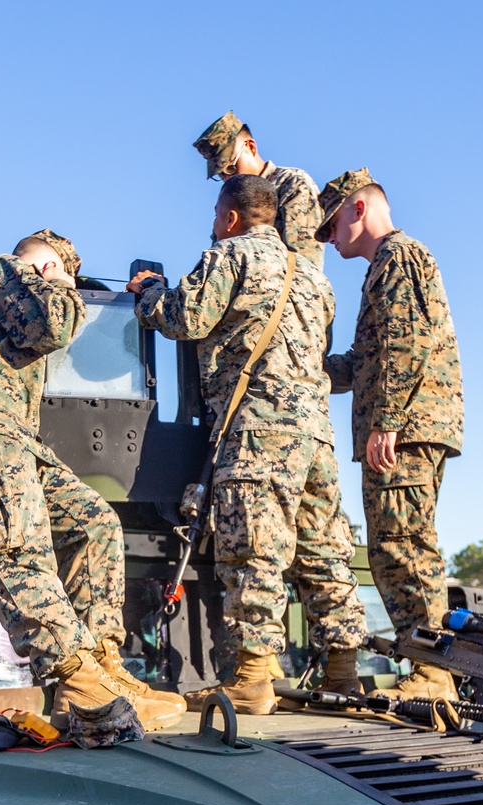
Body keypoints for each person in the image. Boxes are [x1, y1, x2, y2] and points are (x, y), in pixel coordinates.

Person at [0, 230, 187, 730]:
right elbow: (54, 326)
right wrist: (59, 281)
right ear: (51, 263)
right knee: (17, 545)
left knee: (94, 521)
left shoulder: (14, 293)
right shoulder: (3, 269)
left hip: (9, 438)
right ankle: (78, 682)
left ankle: (103, 668)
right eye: (65, 273)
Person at [127, 175, 366, 715]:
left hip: (257, 431)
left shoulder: (228, 256)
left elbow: (184, 318)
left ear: (231, 217)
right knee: (325, 550)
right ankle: (343, 674)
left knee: (253, 549)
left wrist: (148, 293)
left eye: (216, 213)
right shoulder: (312, 277)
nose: (213, 223)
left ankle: (254, 680)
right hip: (315, 435)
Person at [318, 170, 464, 702]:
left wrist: (387, 423)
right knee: (398, 544)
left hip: (407, 428)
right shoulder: (387, 264)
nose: (329, 240)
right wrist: (302, 369)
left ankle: (433, 672)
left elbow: (407, 343)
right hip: (411, 423)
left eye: (331, 224)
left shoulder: (398, 256)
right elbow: (365, 361)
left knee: (401, 545)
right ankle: (431, 666)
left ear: (358, 209)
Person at [193, 111, 324, 267]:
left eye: (231, 168)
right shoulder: (230, 200)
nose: (227, 178)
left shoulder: (292, 184)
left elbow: (304, 262)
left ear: (250, 147)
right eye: (220, 174)